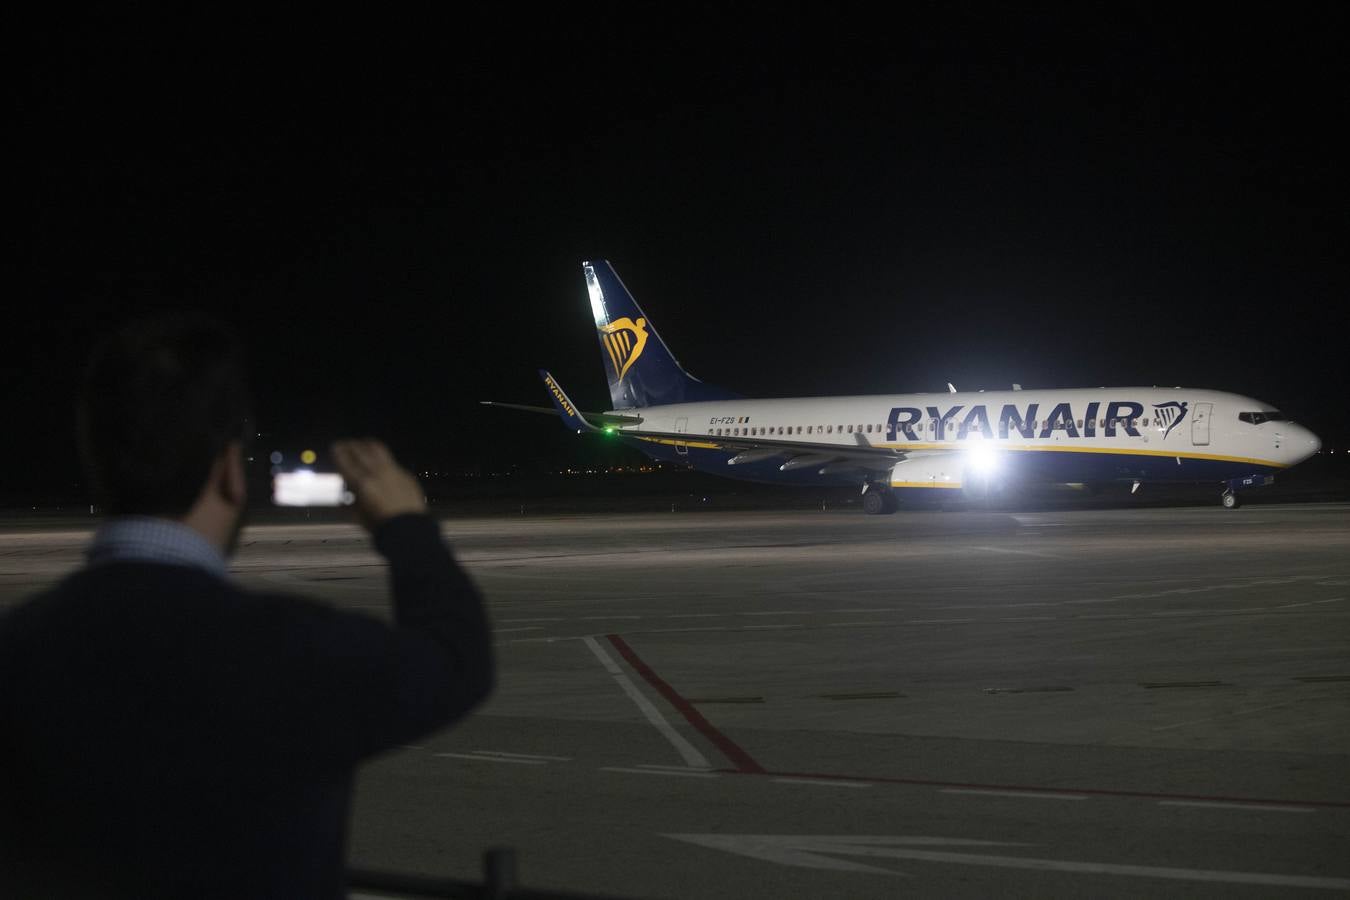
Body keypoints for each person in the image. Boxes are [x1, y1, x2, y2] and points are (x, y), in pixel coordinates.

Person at [0, 314, 494, 899]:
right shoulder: (295, 652)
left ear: (99, 466)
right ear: (232, 472)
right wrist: (407, 528)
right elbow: (458, 659)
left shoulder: (18, 651)